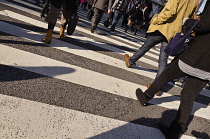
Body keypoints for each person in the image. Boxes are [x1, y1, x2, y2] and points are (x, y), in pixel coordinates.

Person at [135, 1, 210, 138]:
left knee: (166, 75)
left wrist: (188, 22)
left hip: (197, 55)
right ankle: (174, 131)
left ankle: (145, 96)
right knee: (189, 95)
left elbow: (204, 25)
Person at [124, 0, 198, 94]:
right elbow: (190, 18)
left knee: (145, 47)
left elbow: (170, 12)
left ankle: (130, 61)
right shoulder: (195, 2)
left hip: (163, 27)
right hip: (174, 32)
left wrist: (156, 19)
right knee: (163, 60)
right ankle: (156, 87)